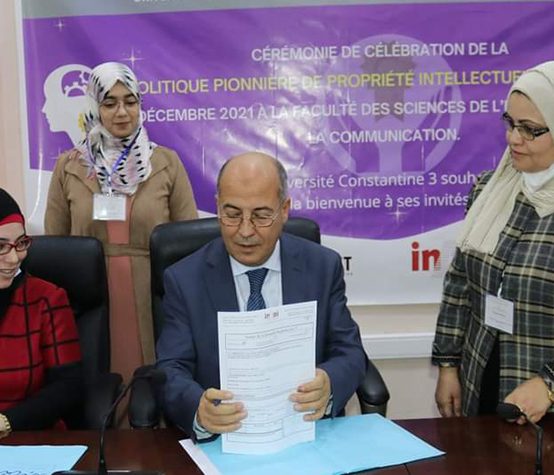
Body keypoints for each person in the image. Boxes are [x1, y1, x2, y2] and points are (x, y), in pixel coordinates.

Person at [156, 151, 367, 438]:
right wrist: (199, 409)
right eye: (232, 214)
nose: (245, 231)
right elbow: (171, 369)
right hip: (224, 438)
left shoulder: (322, 267)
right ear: (217, 207)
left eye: (261, 215)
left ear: (284, 209)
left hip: (306, 431)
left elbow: (350, 352)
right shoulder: (184, 279)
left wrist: (329, 383)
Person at [45, 62, 198, 382]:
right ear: (94, 106)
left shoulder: (165, 162)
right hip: (90, 296)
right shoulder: (69, 166)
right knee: (98, 377)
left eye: (130, 101)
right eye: (109, 103)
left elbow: (187, 243)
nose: (122, 112)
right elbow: (56, 244)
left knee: (154, 380)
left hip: (154, 293)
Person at [433, 60, 554, 425]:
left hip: (541, 403)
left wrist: (550, 384)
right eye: (510, 123)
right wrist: (448, 365)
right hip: (480, 379)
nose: (514, 138)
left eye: (530, 129)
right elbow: (459, 282)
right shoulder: (489, 188)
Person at [0, 189, 82, 437]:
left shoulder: (46, 298)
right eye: (1, 247)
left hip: (28, 437)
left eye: (21, 243)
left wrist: (7, 421)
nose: (14, 258)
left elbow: (69, 385)